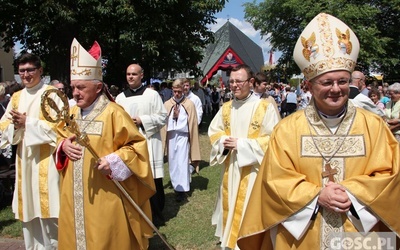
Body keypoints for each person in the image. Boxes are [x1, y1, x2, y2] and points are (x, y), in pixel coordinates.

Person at [238, 13, 400, 250]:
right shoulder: (287, 130)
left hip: (360, 237)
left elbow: (391, 176)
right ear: (310, 85)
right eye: (327, 82)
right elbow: (274, 180)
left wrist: (353, 194)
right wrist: (316, 196)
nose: (336, 89)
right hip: (305, 237)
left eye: (343, 81)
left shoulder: (373, 126)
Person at [56, 38, 155, 249]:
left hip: (105, 198)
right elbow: (59, 137)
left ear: (98, 86)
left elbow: (136, 147)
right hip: (73, 198)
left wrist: (115, 161)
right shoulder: (71, 114)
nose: (75, 93)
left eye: (81, 87)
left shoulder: (113, 113)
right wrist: (63, 146)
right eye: (73, 87)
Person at [208, 64, 280, 249]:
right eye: (231, 81)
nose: (234, 85)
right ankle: (230, 243)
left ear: (251, 82)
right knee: (230, 206)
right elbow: (214, 133)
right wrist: (223, 141)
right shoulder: (225, 108)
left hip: (254, 171)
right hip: (231, 169)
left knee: (249, 210)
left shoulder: (264, 107)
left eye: (239, 81)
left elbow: (272, 139)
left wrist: (240, 145)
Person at [0, 53, 60, 249]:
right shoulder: (16, 98)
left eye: (30, 70)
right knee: (29, 212)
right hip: (24, 161)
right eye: (22, 71)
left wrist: (28, 123)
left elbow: (59, 130)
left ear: (40, 71)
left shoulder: (52, 94)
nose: (26, 74)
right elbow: (4, 130)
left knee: (50, 211)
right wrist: (16, 127)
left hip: (47, 162)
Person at [115, 63, 167, 227]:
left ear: (141, 76)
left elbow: (162, 117)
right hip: (129, 145)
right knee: (133, 179)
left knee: (152, 179)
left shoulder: (152, 95)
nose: (131, 77)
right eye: (128, 74)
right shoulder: (120, 98)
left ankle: (157, 213)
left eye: (134, 74)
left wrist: (141, 120)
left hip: (149, 141)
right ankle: (137, 213)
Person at [164, 78, 200, 202]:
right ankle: (176, 186)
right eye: (174, 91)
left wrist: (179, 118)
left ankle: (183, 189)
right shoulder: (167, 104)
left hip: (183, 135)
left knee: (183, 161)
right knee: (173, 161)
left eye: (179, 91)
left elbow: (192, 122)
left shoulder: (189, 104)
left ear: (183, 90)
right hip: (171, 135)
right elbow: (163, 122)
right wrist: (173, 118)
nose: (177, 94)